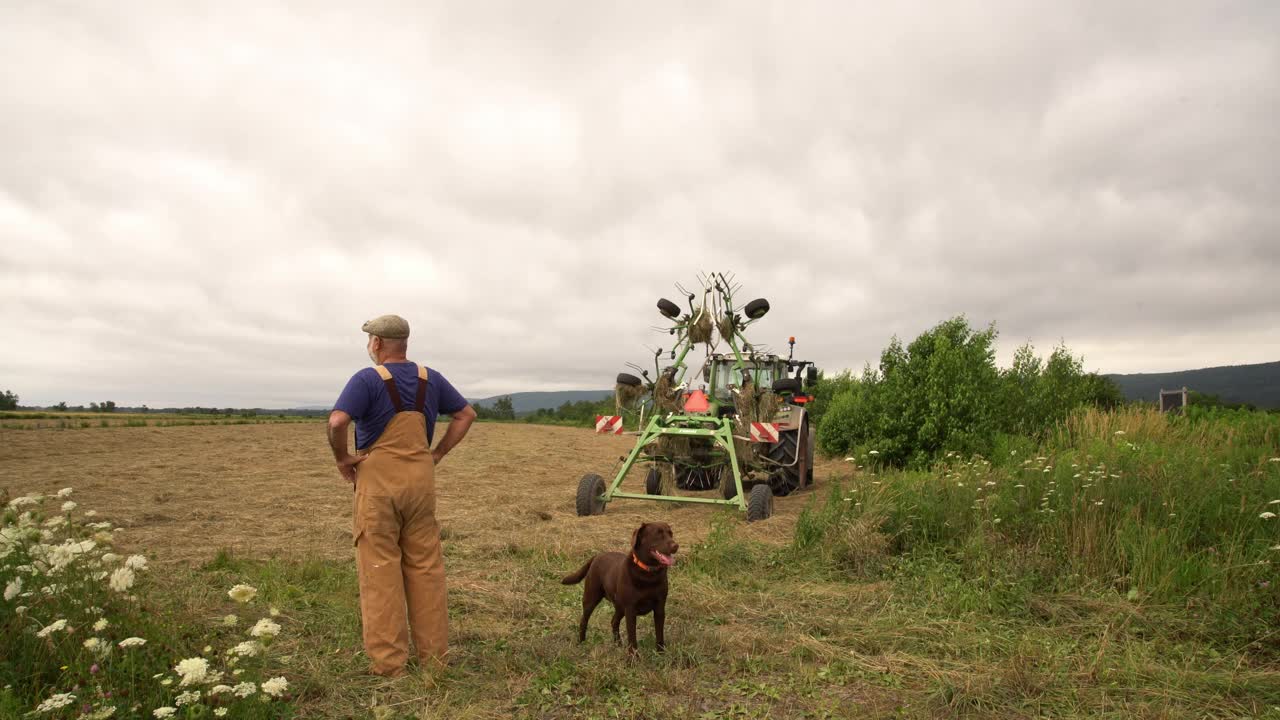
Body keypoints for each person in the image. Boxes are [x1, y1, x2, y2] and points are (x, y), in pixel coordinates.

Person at [326, 314, 477, 677]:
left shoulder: (366, 379)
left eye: (369, 341)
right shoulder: (431, 378)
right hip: (421, 484)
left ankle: (390, 666)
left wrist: (343, 458)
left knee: (380, 570)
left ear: (376, 343)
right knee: (426, 569)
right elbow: (466, 414)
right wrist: (437, 453)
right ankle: (433, 661)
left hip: (379, 486)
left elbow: (336, 422)